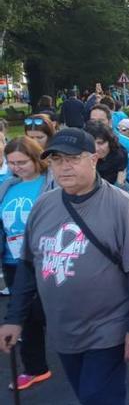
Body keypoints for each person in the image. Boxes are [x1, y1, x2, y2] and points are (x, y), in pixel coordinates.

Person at [0, 128, 129, 405]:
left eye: (73, 159)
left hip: (108, 328)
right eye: (56, 160)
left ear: (94, 159)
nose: (64, 167)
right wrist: (14, 318)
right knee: (88, 398)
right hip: (63, 329)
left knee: (99, 402)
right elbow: (28, 266)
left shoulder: (122, 207)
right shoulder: (44, 205)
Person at [0, 137, 54, 390]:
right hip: (13, 260)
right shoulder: (7, 186)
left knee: (49, 311)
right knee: (26, 316)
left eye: (22, 162)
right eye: (11, 163)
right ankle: (35, 368)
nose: (16, 167)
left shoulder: (49, 183)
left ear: (36, 159)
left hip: (45, 259)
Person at [83, 121, 129, 199]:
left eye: (100, 143)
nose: (96, 148)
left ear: (110, 142)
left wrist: (122, 186)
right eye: (92, 144)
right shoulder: (83, 164)